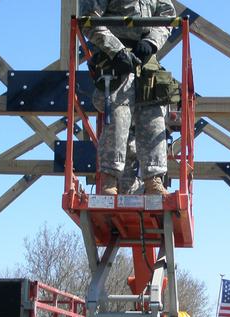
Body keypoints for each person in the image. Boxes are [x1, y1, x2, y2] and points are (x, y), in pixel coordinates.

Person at [79, 0, 177, 196]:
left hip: (145, 61)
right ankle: (109, 180)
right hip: (114, 61)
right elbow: (89, 19)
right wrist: (116, 49)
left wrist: (151, 42)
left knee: (154, 117)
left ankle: (153, 181)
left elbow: (167, 17)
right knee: (118, 115)